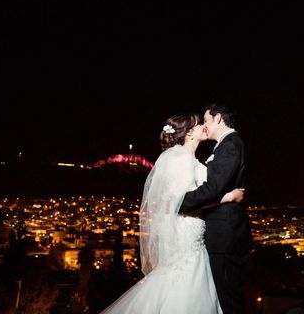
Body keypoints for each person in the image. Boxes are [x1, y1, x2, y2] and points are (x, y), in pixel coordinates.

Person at [101, 112, 244, 314]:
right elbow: (181, 201)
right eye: (197, 124)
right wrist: (227, 198)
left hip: (193, 233)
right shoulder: (181, 159)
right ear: (189, 134)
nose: (203, 126)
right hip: (187, 234)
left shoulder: (185, 158)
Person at [179, 103, 253, 314]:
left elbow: (213, 188)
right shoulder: (226, 144)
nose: (204, 125)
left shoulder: (230, 144)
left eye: (206, 120)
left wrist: (177, 203)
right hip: (222, 236)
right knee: (225, 298)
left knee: (229, 300)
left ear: (218, 118)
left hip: (226, 236)